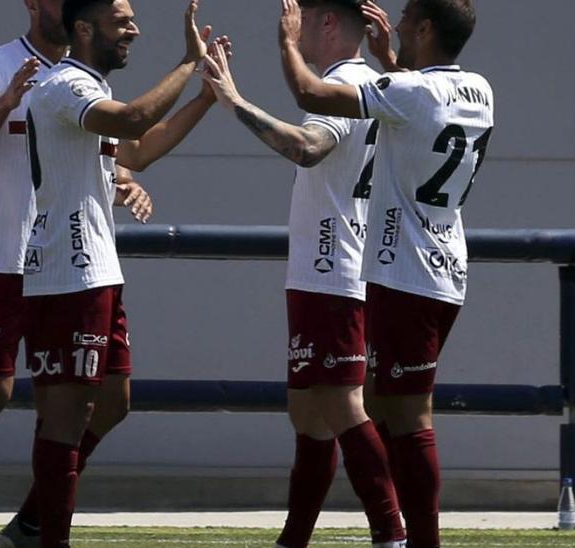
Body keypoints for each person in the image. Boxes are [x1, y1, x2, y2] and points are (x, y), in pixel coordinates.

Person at [0, 1, 152, 546]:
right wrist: (6, 101)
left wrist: (124, 178)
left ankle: (33, 520)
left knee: (106, 403)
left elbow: (108, 149)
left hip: (67, 265)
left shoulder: (86, 76)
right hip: (3, 260)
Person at [275, 1, 493, 546]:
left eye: (404, 22)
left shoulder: (410, 92)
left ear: (424, 27)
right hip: (444, 262)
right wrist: (392, 61)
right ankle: (395, 534)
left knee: (407, 414)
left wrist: (284, 43)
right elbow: (420, 107)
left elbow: (310, 97)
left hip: (405, 269)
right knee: (378, 403)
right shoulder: (479, 89)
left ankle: (412, 538)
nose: (392, 29)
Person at [197, 1, 405, 546]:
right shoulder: (375, 84)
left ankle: (391, 530)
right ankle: (295, 538)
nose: (293, 28)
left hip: (332, 267)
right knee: (308, 415)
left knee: (340, 405)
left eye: (300, 18)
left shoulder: (345, 85)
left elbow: (306, 148)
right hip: (328, 268)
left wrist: (234, 100)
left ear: (327, 23)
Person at [22, 0, 220, 545]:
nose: (132, 27)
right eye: (120, 18)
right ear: (83, 28)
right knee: (66, 413)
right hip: (66, 267)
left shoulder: (89, 88)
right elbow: (134, 119)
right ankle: (45, 535)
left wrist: (206, 95)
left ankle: (31, 521)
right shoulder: (63, 83)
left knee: (112, 401)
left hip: (96, 268)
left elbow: (139, 148)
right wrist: (188, 62)